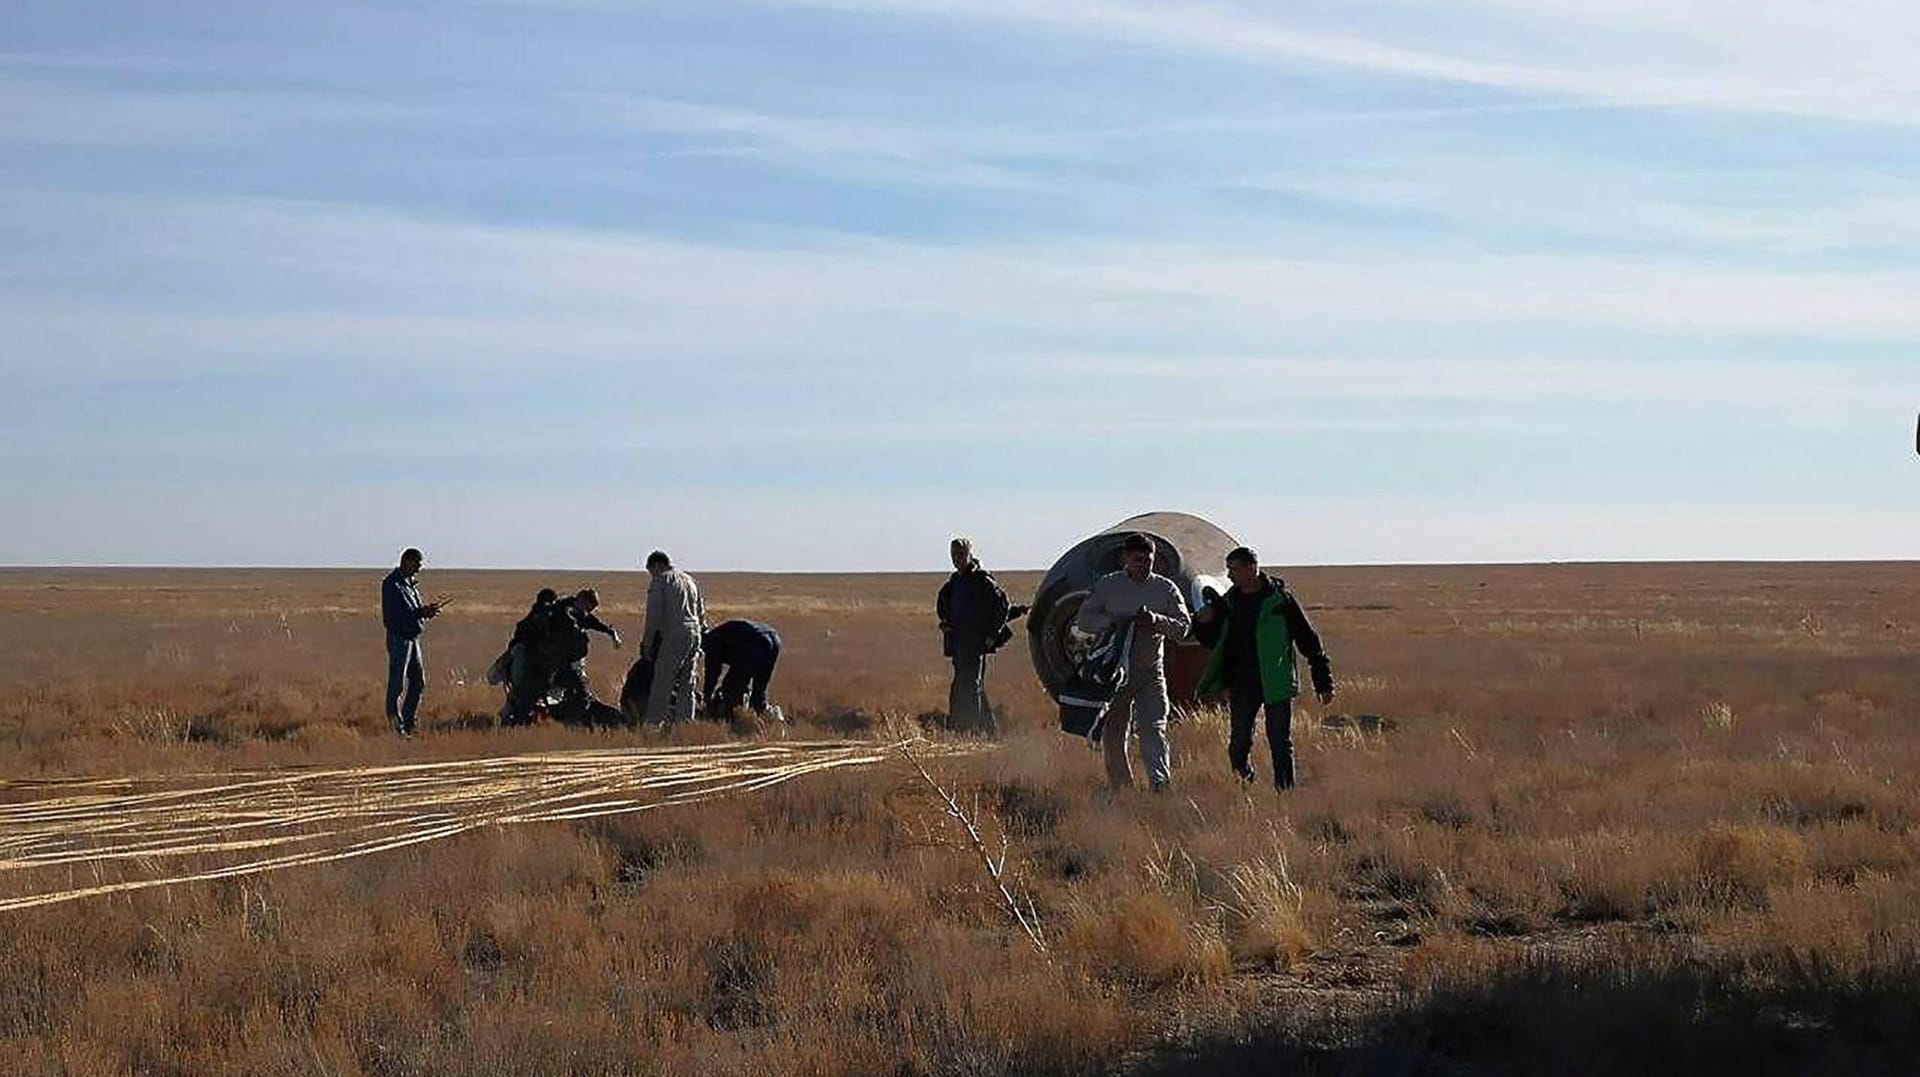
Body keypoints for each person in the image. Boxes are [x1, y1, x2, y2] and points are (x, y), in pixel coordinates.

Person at [1193, 547, 1335, 789]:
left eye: (1234, 569)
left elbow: (1308, 639)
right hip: (1241, 682)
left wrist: (1323, 680)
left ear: (1252, 568)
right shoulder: (1228, 602)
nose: (1230, 575)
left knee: (1280, 741)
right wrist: (1202, 622)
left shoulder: (1281, 600)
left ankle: (1285, 792)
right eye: (1228, 569)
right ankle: (1245, 781)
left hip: (1276, 680)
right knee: (1239, 743)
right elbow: (1211, 640)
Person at [1074, 532, 1191, 791]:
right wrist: (1113, 621)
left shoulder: (1165, 588)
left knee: (1154, 728)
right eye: (1137, 559)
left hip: (1150, 672)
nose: (1143, 565)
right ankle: (1122, 788)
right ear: (1125, 559)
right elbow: (1084, 621)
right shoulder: (1108, 586)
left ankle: (1160, 784)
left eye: (1148, 560)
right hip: (1116, 672)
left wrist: (1155, 621)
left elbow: (1184, 627)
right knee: (1114, 732)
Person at [936, 537, 1011, 735]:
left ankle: (972, 730)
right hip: (959, 642)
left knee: (970, 685)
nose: (957, 559)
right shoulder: (954, 582)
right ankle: (984, 729)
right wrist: (945, 624)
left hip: (975, 642)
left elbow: (1003, 605)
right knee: (965, 684)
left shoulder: (981, 580)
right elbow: (944, 606)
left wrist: (992, 634)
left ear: (969, 555)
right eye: (954, 555)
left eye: (961, 554)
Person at [380, 547, 444, 738]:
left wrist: (425, 614)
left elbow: (413, 612)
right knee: (397, 684)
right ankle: (396, 727)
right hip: (399, 639)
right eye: (417, 564)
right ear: (406, 561)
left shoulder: (411, 584)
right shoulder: (391, 584)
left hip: (413, 639)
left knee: (418, 682)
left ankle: (408, 722)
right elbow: (394, 617)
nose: (418, 568)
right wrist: (420, 613)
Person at [539, 588, 625, 725]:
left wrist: (611, 633)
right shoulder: (563, 611)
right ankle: (570, 720)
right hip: (562, 665)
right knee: (583, 697)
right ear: (582, 600)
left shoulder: (579, 613)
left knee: (576, 694)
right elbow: (569, 621)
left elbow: (593, 622)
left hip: (569, 664)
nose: (589, 612)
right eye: (589, 608)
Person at [640, 551, 704, 725]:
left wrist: (647, 643)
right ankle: (685, 725)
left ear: (656, 565)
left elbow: (653, 616)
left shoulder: (661, 581)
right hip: (694, 633)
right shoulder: (689, 580)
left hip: (674, 635)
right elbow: (701, 613)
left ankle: (653, 727)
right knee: (687, 684)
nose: (651, 575)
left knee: (663, 682)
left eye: (650, 570)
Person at [702, 619, 783, 719]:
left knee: (730, 689)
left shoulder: (711, 642)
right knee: (759, 690)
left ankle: (734, 722)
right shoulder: (720, 633)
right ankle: (765, 721)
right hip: (774, 638)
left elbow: (712, 673)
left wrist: (707, 697)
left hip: (755, 642)